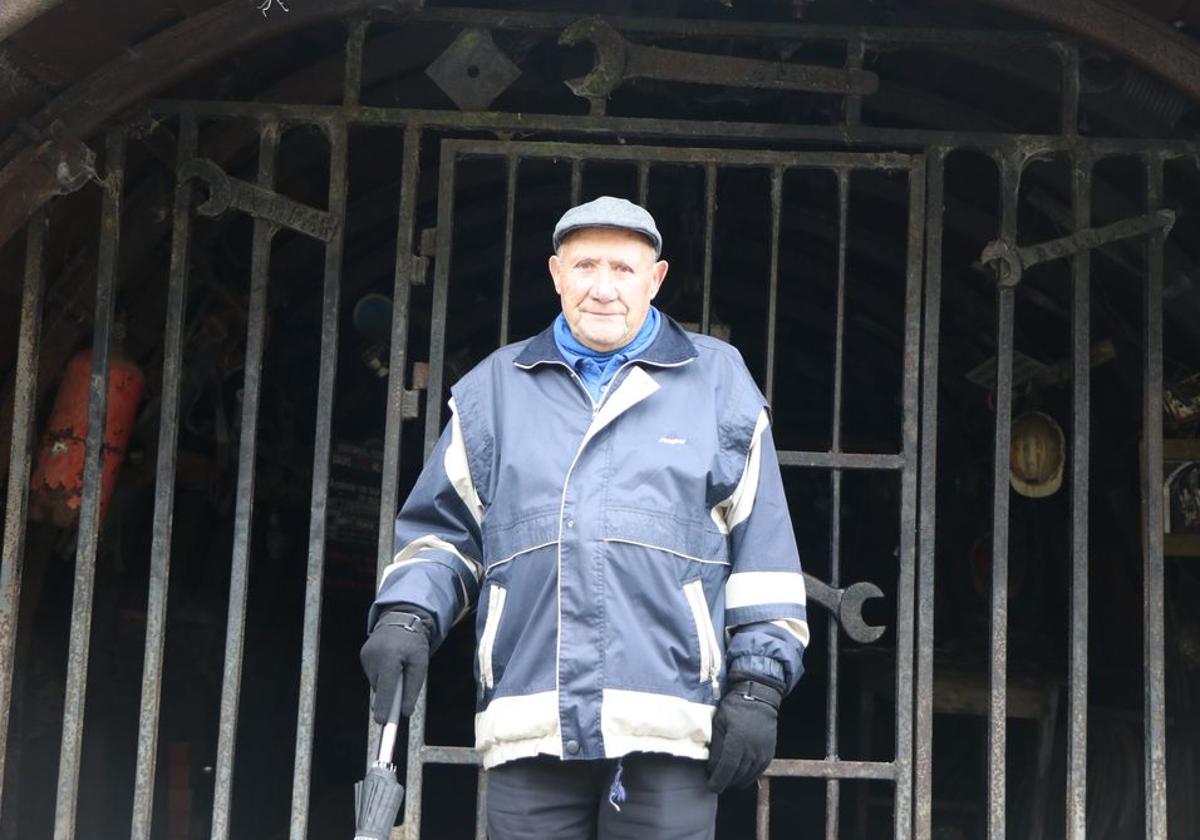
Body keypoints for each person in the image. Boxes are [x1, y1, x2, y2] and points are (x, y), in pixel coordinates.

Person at [361, 196, 809, 839]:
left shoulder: (719, 383)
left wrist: (758, 685)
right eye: (585, 266)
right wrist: (408, 613)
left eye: (624, 270)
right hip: (532, 717)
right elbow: (445, 533)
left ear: (656, 278)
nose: (603, 288)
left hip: (670, 722)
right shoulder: (494, 390)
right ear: (555, 273)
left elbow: (762, 551)